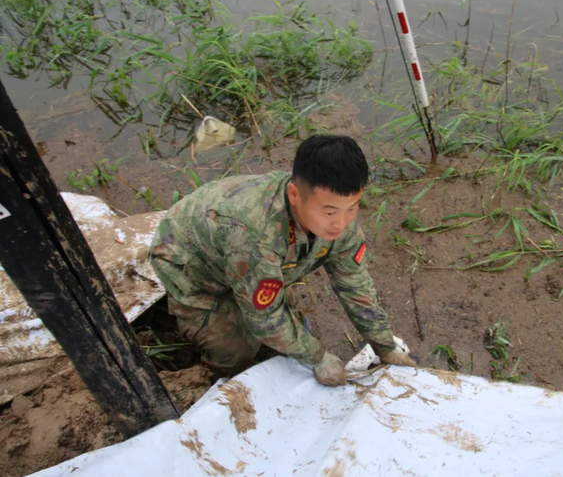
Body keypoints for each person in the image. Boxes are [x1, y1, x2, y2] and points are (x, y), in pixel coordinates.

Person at [149, 135, 416, 386]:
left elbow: (356, 287)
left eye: (352, 208)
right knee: (239, 352)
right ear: (294, 195)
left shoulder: (337, 224)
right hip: (189, 261)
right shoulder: (255, 235)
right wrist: (318, 356)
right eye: (330, 211)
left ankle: (244, 299)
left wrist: (385, 346)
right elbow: (264, 317)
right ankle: (205, 350)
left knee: (287, 333)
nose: (341, 223)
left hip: (241, 257)